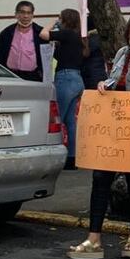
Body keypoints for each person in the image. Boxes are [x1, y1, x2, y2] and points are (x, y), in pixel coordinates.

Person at [67, 13, 130, 259]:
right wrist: (105, 84)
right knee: (101, 178)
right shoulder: (123, 52)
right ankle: (94, 238)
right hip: (114, 124)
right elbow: (115, 79)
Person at [39, 9, 88, 170]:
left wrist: (52, 21)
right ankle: (73, 157)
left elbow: (43, 34)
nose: (59, 20)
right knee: (70, 121)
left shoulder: (67, 34)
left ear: (66, 20)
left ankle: (54, 154)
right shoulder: (78, 38)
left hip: (65, 79)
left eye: (61, 17)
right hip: (77, 79)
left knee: (57, 118)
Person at [0, 1, 45, 81]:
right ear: (16, 14)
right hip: (11, 75)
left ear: (32, 15)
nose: (26, 16)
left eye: (29, 13)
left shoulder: (40, 32)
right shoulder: (7, 32)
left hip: (33, 76)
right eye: (22, 12)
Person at [82, 15, 107, 90]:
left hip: (89, 74)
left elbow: (85, 54)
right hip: (100, 72)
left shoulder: (88, 39)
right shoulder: (101, 38)